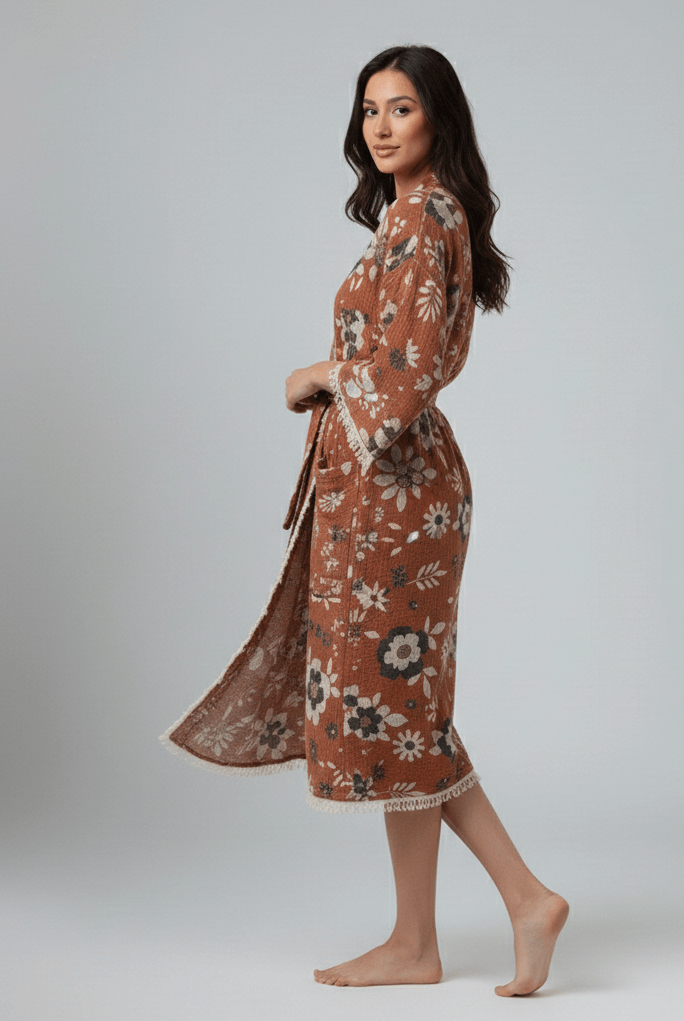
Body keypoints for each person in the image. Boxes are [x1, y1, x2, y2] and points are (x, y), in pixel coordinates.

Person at [161, 44, 568, 994]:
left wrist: (317, 373)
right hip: (382, 493)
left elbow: (405, 371)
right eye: (370, 110)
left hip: (398, 496)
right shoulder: (408, 218)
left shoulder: (427, 220)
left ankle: (523, 898)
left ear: (440, 122)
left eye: (402, 109)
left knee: (400, 711)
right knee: (402, 712)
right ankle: (420, 942)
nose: (382, 127)